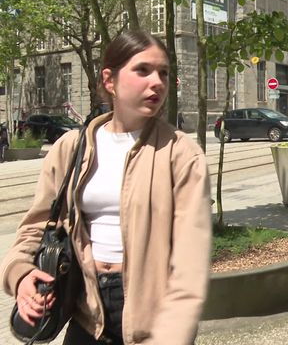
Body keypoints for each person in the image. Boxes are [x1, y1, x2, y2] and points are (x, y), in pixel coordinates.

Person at [1, 31, 213, 345]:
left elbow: (190, 265)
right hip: (86, 312)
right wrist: (19, 273)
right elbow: (38, 225)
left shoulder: (181, 154)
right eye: (143, 70)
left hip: (152, 321)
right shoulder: (72, 147)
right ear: (110, 79)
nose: (157, 82)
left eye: (164, 73)